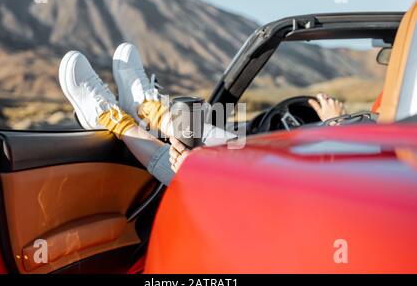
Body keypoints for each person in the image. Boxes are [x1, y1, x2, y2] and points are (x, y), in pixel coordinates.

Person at [59, 43, 348, 186]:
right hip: (293, 184)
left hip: (275, 208)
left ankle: (115, 121)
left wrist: (335, 129)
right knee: (244, 151)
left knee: (204, 177)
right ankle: (154, 113)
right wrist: (336, 126)